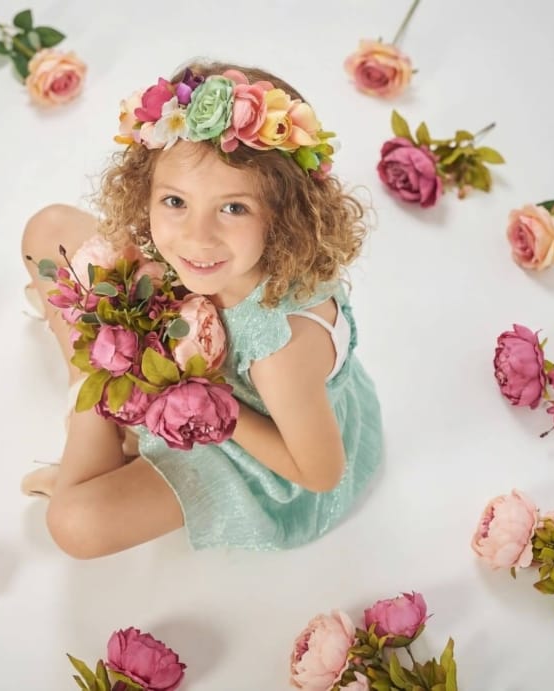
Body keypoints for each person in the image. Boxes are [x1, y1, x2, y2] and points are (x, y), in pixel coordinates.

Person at [20, 60, 383, 558]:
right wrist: (133, 306)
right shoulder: (204, 258)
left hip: (245, 448)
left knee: (74, 525)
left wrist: (211, 404)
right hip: (180, 368)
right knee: (49, 230)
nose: (196, 236)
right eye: (174, 202)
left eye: (233, 208)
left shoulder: (278, 350)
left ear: (282, 218)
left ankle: (96, 401)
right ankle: (105, 391)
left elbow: (320, 473)